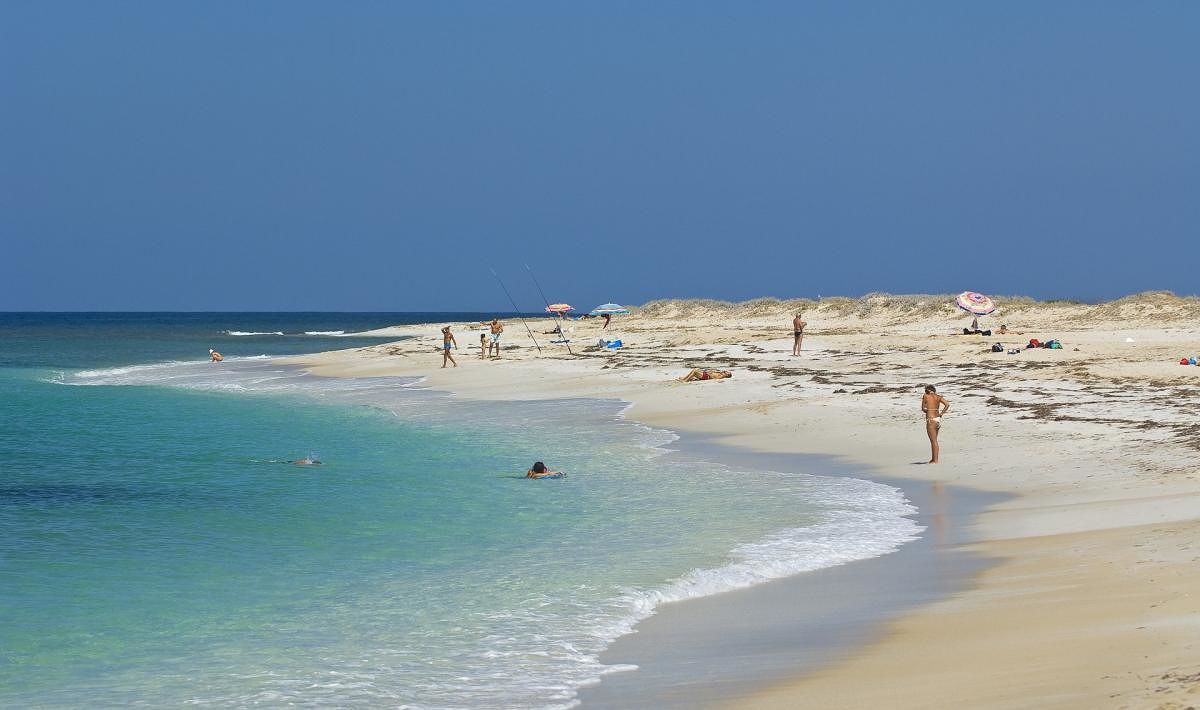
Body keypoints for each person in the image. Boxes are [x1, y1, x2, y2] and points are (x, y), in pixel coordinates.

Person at [921, 385, 951, 464]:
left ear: (927, 390)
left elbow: (923, 408)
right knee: (935, 440)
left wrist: (926, 410)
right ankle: (933, 458)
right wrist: (941, 413)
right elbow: (947, 404)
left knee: (933, 441)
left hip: (931, 420)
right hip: (938, 419)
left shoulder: (926, 396)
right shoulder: (938, 397)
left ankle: (935, 460)